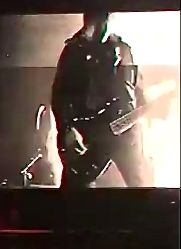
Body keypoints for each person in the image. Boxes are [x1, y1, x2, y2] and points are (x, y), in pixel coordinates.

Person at [50, 12, 153, 188]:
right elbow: (59, 96)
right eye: (95, 20)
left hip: (123, 133)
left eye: (103, 19)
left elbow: (137, 91)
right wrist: (66, 129)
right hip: (92, 133)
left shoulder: (123, 50)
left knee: (140, 185)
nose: (99, 26)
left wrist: (139, 113)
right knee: (73, 187)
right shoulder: (74, 52)